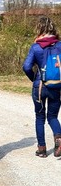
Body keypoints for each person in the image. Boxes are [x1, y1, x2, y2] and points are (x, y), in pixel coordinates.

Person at [23, 16, 61, 158]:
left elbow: (26, 66)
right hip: (56, 86)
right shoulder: (60, 45)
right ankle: (59, 138)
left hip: (39, 86)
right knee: (52, 116)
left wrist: (34, 78)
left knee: (40, 117)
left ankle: (42, 149)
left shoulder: (36, 47)